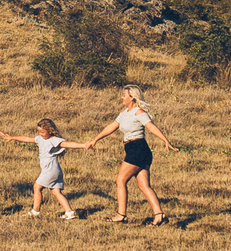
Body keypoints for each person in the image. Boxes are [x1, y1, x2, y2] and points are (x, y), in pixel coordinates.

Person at [88, 86, 169, 225]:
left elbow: (151, 126)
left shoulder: (139, 112)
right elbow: (111, 126)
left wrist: (166, 141)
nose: (121, 97)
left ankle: (121, 215)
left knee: (121, 180)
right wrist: (95, 139)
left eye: (124, 95)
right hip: (135, 149)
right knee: (143, 185)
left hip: (137, 149)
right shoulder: (124, 112)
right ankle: (159, 215)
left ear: (132, 97)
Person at [27, 118, 94, 218]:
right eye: (39, 132)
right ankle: (69, 212)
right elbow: (27, 139)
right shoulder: (40, 139)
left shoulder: (54, 140)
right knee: (56, 192)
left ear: (50, 131)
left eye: (43, 132)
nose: (40, 134)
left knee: (37, 187)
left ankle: (35, 211)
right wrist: (12, 137)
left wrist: (84, 145)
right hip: (55, 170)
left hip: (50, 170)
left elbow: (68, 144)